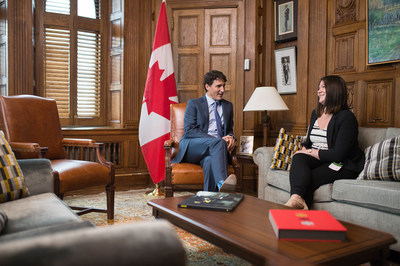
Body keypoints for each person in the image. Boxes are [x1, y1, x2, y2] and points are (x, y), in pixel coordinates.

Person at [285, 75, 365, 209]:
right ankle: (296, 199)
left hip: (342, 164)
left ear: (334, 90)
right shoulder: (315, 114)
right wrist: (305, 149)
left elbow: (338, 154)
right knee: (299, 157)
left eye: (323, 87)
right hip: (320, 159)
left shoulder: (347, 118)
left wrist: (310, 152)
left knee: (309, 177)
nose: (319, 91)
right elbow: (309, 142)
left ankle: (301, 216)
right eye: (318, 87)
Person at [171, 70, 237, 192]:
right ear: (207, 86)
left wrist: (231, 137)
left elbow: (229, 130)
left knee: (209, 162)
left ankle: (210, 200)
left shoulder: (228, 106)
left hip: (216, 151)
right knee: (219, 143)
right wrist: (218, 140)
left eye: (223, 86)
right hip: (193, 147)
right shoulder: (194, 104)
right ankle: (222, 182)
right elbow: (190, 130)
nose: (222, 90)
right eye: (218, 86)